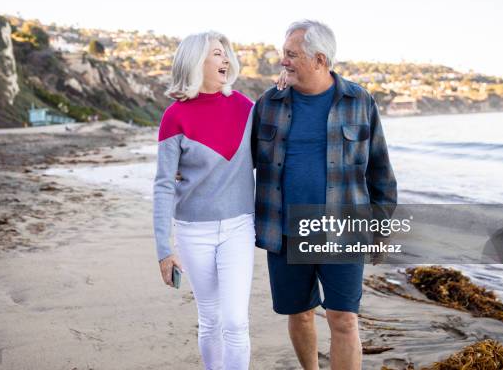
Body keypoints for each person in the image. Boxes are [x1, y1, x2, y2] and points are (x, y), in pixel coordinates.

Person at [251, 20, 397, 370]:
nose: (282, 61)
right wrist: (189, 167)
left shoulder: (359, 101)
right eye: (283, 54)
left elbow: (380, 171)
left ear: (319, 59)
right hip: (287, 232)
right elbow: (239, 161)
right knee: (299, 315)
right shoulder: (269, 104)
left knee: (344, 319)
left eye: (291, 54)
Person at [153, 31, 256, 370]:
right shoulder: (174, 117)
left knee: (236, 321)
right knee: (210, 318)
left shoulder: (247, 109)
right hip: (193, 231)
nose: (225, 59)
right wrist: (164, 249)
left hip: (239, 227)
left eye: (226, 53)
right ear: (197, 61)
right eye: (216, 53)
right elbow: (164, 185)